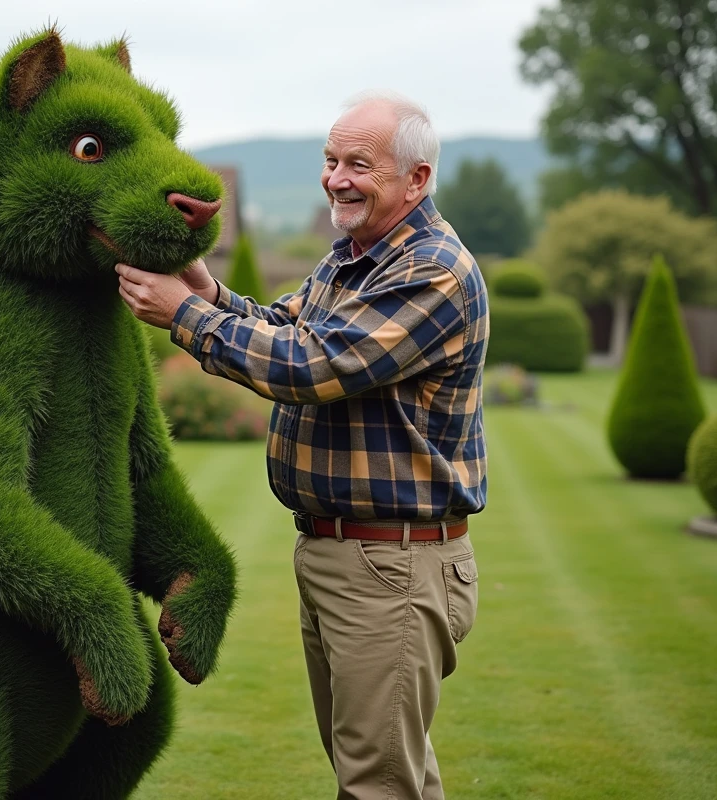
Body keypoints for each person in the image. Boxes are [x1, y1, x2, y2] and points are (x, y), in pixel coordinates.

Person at [116, 90, 487, 800]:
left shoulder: (431, 269)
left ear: (416, 179)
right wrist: (204, 286)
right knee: (384, 774)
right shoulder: (357, 257)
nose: (336, 178)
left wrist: (180, 315)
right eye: (329, 160)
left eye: (359, 164)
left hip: (391, 566)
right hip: (347, 556)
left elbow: (314, 367)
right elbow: (283, 326)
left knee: (379, 785)